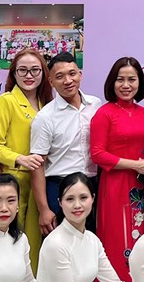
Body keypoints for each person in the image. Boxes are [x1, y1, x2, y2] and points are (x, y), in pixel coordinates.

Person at [89, 56, 144, 282]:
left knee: (142, 247)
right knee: (117, 247)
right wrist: (133, 164)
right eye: (120, 79)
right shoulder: (104, 113)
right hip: (115, 188)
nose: (126, 85)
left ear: (140, 83)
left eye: (132, 79)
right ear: (111, 82)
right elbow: (97, 154)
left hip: (141, 188)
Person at [0, 49, 51, 282]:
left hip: (40, 184)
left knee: (35, 250)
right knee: (15, 252)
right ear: (13, 73)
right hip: (15, 184)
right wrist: (20, 158)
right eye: (22, 70)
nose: (29, 75)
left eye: (35, 70)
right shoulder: (6, 101)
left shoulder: (47, 104)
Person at [28, 51, 101, 242]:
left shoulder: (95, 105)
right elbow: (37, 166)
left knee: (90, 243)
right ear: (51, 81)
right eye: (60, 76)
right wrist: (44, 209)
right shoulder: (45, 117)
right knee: (61, 246)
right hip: (59, 188)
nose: (68, 80)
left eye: (72, 73)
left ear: (80, 75)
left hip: (92, 186)